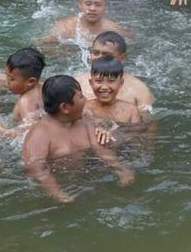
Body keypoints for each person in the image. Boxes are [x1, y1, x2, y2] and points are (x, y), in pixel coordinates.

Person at [22, 75, 134, 203]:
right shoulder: (39, 135)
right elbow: (37, 169)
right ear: (65, 107)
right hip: (59, 184)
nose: (86, 99)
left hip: (84, 180)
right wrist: (56, 193)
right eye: (80, 96)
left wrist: (120, 169)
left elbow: (100, 148)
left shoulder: (84, 123)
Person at [77, 31, 154, 112]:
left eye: (106, 55)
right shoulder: (78, 84)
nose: (99, 58)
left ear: (122, 58)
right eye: (95, 53)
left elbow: (147, 123)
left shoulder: (139, 91)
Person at [0, 48, 47, 138]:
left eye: (11, 79)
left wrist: (1, 130)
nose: (6, 82)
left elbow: (30, 132)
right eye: (6, 76)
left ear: (30, 82)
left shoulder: (25, 101)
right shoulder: (44, 87)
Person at [47, 0, 127, 44]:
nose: (92, 8)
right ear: (80, 4)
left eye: (98, 4)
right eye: (88, 4)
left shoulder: (114, 30)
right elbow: (46, 46)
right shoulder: (65, 27)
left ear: (105, 5)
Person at [86, 57, 142, 125]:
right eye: (99, 81)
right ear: (91, 83)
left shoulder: (131, 111)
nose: (104, 87)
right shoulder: (85, 109)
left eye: (111, 81)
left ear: (121, 83)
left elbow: (137, 134)